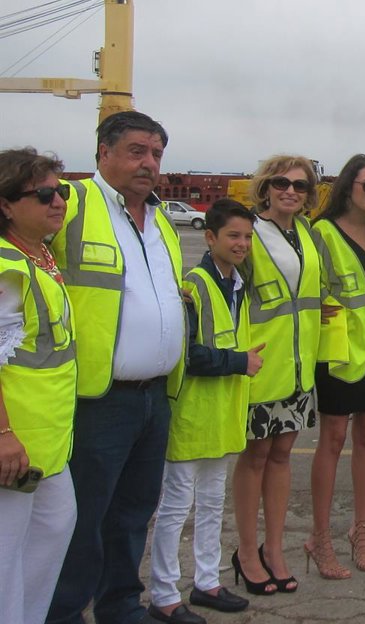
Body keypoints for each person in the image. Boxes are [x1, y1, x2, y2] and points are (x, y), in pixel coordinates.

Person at [47, 111, 186, 624]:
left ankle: (121, 607)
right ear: (103, 152)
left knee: (133, 513)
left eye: (156, 154)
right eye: (136, 151)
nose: (149, 163)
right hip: (96, 399)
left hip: (154, 397)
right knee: (82, 520)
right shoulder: (70, 203)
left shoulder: (162, 222)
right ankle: (64, 613)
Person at [148, 199, 262, 623]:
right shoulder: (194, 286)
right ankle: (163, 593)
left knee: (213, 501)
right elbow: (190, 354)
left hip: (222, 414)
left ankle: (207, 581)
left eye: (247, 236)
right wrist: (240, 362)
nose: (242, 243)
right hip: (192, 414)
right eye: (233, 235)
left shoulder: (237, 284)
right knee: (176, 506)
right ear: (210, 237)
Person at [230, 155, 325, 596]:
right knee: (255, 457)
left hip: (299, 367)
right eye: (281, 183)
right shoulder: (250, 233)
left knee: (283, 455)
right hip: (262, 364)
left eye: (300, 185)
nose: (290, 191)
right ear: (265, 188)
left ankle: (274, 548)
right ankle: (247, 552)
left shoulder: (307, 233)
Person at [307, 155, 365, 578]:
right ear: (348, 187)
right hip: (339, 352)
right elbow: (308, 286)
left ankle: (360, 532)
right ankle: (319, 538)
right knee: (333, 437)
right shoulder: (322, 233)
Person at [0, 148, 77, 624]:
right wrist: (3, 434)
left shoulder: (40, 256)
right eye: (44, 194)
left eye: (61, 191)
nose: (59, 202)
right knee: (6, 561)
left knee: (53, 531)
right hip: (15, 447)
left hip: (48, 444)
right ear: (7, 204)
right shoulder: (7, 267)